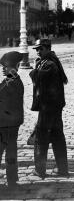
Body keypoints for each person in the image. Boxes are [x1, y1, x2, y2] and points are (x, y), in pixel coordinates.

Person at [29, 39, 69, 179]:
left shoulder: (48, 64)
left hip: (48, 107)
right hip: (55, 106)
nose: (38, 52)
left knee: (41, 138)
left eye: (40, 49)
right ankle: (62, 169)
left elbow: (37, 78)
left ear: (47, 48)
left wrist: (35, 68)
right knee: (58, 137)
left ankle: (40, 170)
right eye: (37, 49)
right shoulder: (51, 61)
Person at [0, 51, 24, 190]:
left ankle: (12, 180)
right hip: (10, 123)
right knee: (11, 152)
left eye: (6, 66)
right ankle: (12, 179)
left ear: (16, 66)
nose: (3, 68)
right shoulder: (11, 80)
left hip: (6, 125)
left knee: (9, 152)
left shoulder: (12, 82)